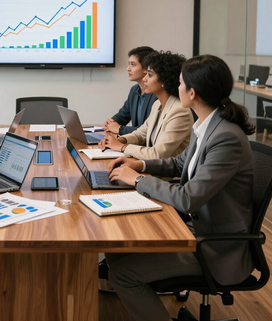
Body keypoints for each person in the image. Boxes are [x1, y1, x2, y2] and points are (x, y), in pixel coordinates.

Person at [105, 54, 256, 321]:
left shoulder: (225, 137)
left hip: (215, 248)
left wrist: (136, 180)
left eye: (180, 83)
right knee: (117, 252)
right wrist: (140, 166)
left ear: (192, 92)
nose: (177, 88)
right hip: (195, 230)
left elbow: (188, 198)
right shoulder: (208, 124)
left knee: (122, 274)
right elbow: (178, 164)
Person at [99, 51, 193, 159]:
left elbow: (157, 154)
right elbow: (140, 134)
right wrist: (120, 140)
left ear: (164, 80)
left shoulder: (180, 111)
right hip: (151, 168)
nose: (144, 79)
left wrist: (122, 147)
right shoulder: (157, 104)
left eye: (150, 75)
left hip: (167, 175)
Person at [103, 46, 157, 135]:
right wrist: (111, 123)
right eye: (129, 64)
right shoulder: (134, 90)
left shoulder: (156, 94)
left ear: (146, 69)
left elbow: (149, 130)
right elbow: (123, 115)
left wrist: (120, 129)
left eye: (133, 64)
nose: (128, 69)